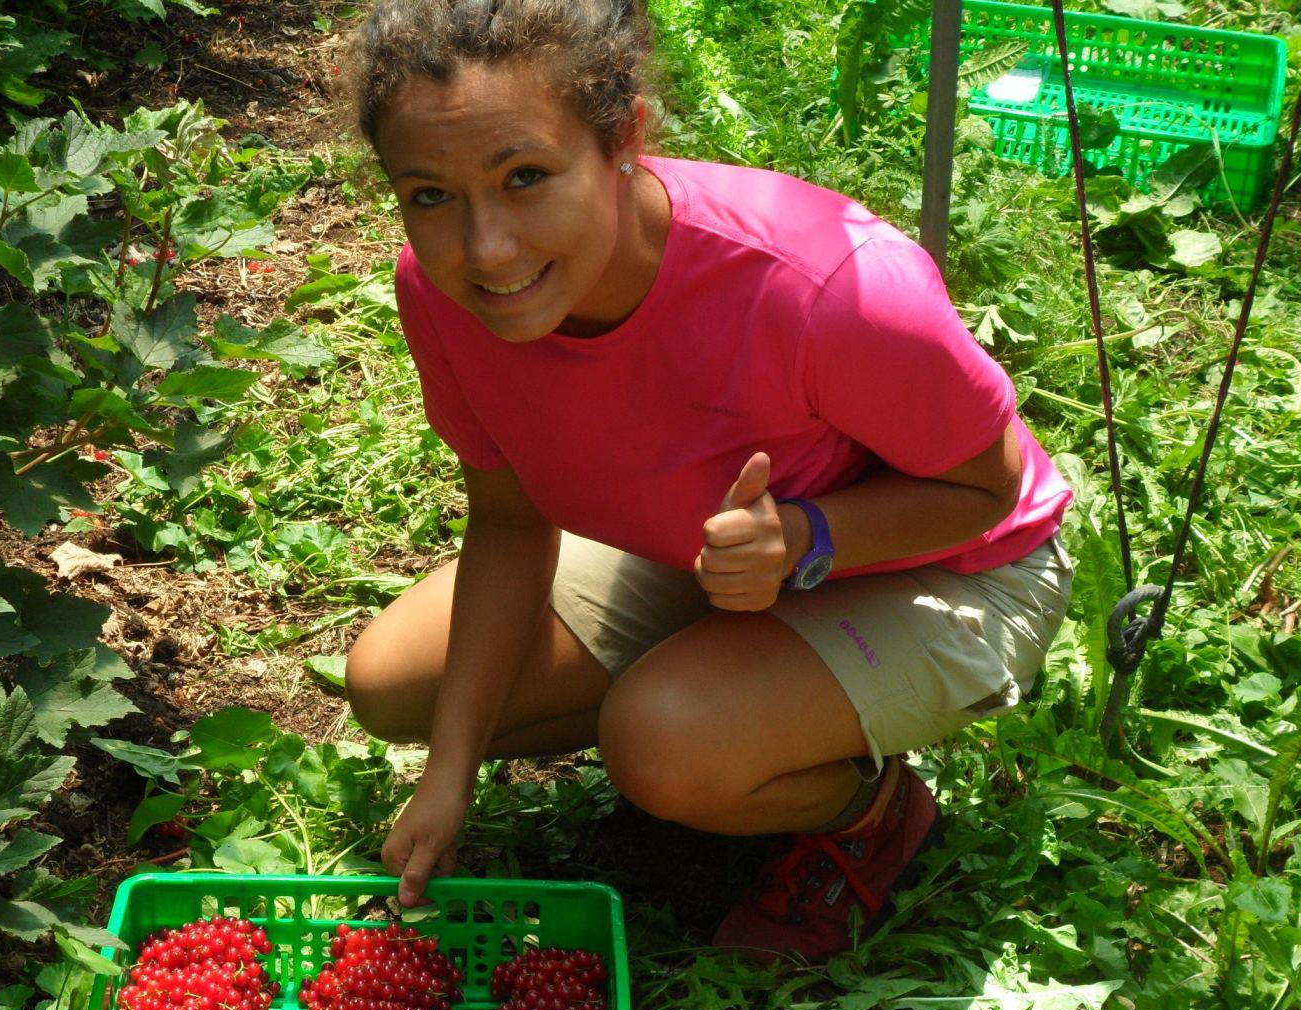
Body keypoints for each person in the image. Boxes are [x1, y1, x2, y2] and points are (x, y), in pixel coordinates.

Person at [340, 0, 1074, 961]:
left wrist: (809, 537)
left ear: (625, 138)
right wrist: (451, 771)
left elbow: (995, 491)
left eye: (526, 177)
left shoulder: (828, 289)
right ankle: (739, 705)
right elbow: (512, 525)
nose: (487, 250)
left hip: (957, 565)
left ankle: (874, 811)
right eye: (430, 195)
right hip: (704, 553)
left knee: (660, 742)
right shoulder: (440, 292)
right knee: (393, 686)